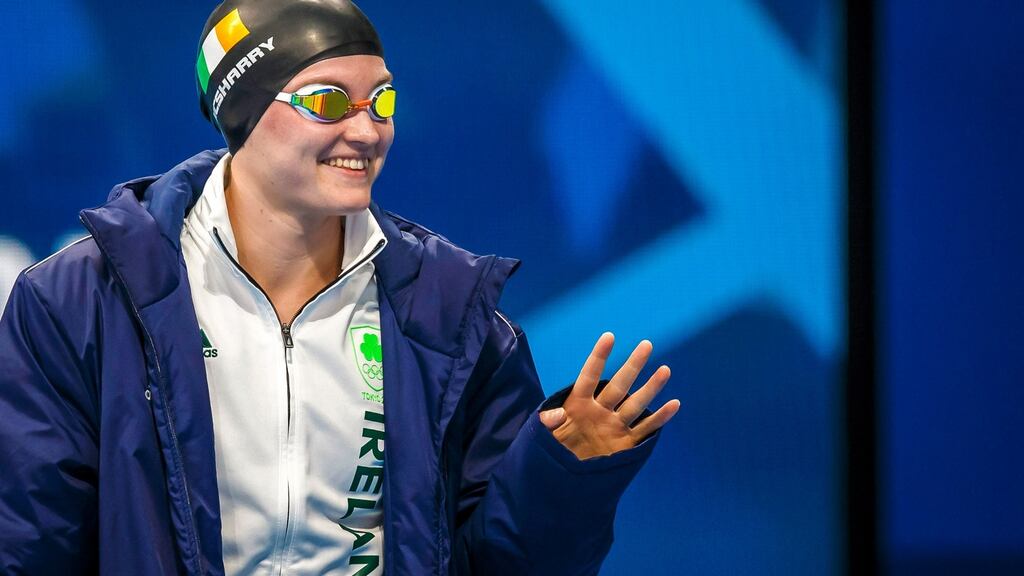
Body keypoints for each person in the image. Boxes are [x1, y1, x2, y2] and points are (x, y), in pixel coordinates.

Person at [0, 1, 679, 574]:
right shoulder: (82, 301)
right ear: (243, 113)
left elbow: (499, 561)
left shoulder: (449, 314)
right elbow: (31, 542)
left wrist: (562, 476)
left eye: (380, 99)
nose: (370, 129)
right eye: (328, 101)